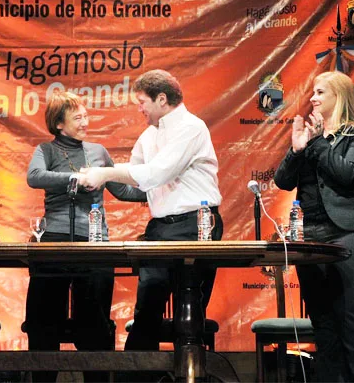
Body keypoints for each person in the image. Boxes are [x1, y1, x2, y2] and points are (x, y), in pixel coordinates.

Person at [79, 69, 223, 366]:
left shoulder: (192, 128)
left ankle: (190, 371)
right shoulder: (148, 135)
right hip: (160, 228)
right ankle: (136, 374)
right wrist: (95, 171)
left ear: (161, 99)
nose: (139, 108)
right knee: (147, 306)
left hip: (196, 225)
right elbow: (135, 183)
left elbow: (156, 174)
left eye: (142, 101)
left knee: (190, 306)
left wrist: (106, 171)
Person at [24, 91, 146, 382]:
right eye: (77, 117)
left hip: (94, 242)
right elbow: (34, 176)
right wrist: (76, 178)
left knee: (94, 322)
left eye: (86, 115)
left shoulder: (97, 151)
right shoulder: (46, 150)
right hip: (54, 240)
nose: (85, 121)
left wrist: (155, 190)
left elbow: (122, 189)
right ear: (59, 124)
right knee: (43, 321)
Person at [274, 71, 354, 382]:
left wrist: (321, 142)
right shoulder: (310, 138)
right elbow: (283, 181)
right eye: (313, 92)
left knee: (351, 318)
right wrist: (297, 149)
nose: (313, 98)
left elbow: (350, 175)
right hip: (311, 239)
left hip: (351, 235)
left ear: (340, 97)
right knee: (323, 324)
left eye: (321, 92)